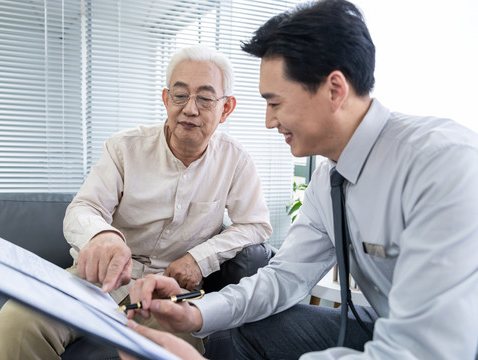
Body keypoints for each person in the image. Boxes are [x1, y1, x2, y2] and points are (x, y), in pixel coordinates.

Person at [125, 1, 478, 359]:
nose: (268, 121)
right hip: (388, 322)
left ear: (334, 90)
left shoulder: (441, 162)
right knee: (240, 331)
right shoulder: (328, 181)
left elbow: (427, 349)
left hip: (453, 339)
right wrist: (195, 313)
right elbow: (284, 278)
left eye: (275, 103)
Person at [0, 46, 272, 359]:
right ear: (166, 100)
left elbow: (255, 224)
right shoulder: (124, 147)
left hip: (167, 291)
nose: (190, 109)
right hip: (99, 279)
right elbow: (83, 209)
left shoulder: (236, 161)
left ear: (226, 108)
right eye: (180, 96)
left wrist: (200, 257)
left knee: (178, 351)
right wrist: (103, 236)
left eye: (205, 98)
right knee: (16, 322)